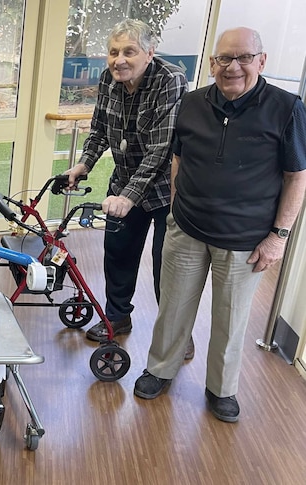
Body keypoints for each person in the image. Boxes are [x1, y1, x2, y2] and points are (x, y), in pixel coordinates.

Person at [133, 28, 306, 422]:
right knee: (172, 309)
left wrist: (278, 237)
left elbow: (298, 176)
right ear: (212, 64)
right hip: (187, 229)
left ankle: (221, 389)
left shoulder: (287, 108)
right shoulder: (191, 103)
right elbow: (178, 159)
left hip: (246, 239)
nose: (233, 67)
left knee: (231, 319)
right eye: (224, 58)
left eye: (244, 57)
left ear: (261, 61)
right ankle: (160, 369)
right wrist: (177, 210)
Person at [63, 19, 188, 345]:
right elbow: (100, 128)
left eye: (129, 52)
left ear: (149, 53)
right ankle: (117, 317)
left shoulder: (169, 80)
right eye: (113, 52)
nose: (119, 60)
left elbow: (161, 150)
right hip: (124, 182)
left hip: (167, 190)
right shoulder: (109, 79)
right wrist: (82, 164)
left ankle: (176, 333)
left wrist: (129, 197)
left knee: (167, 265)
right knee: (117, 254)